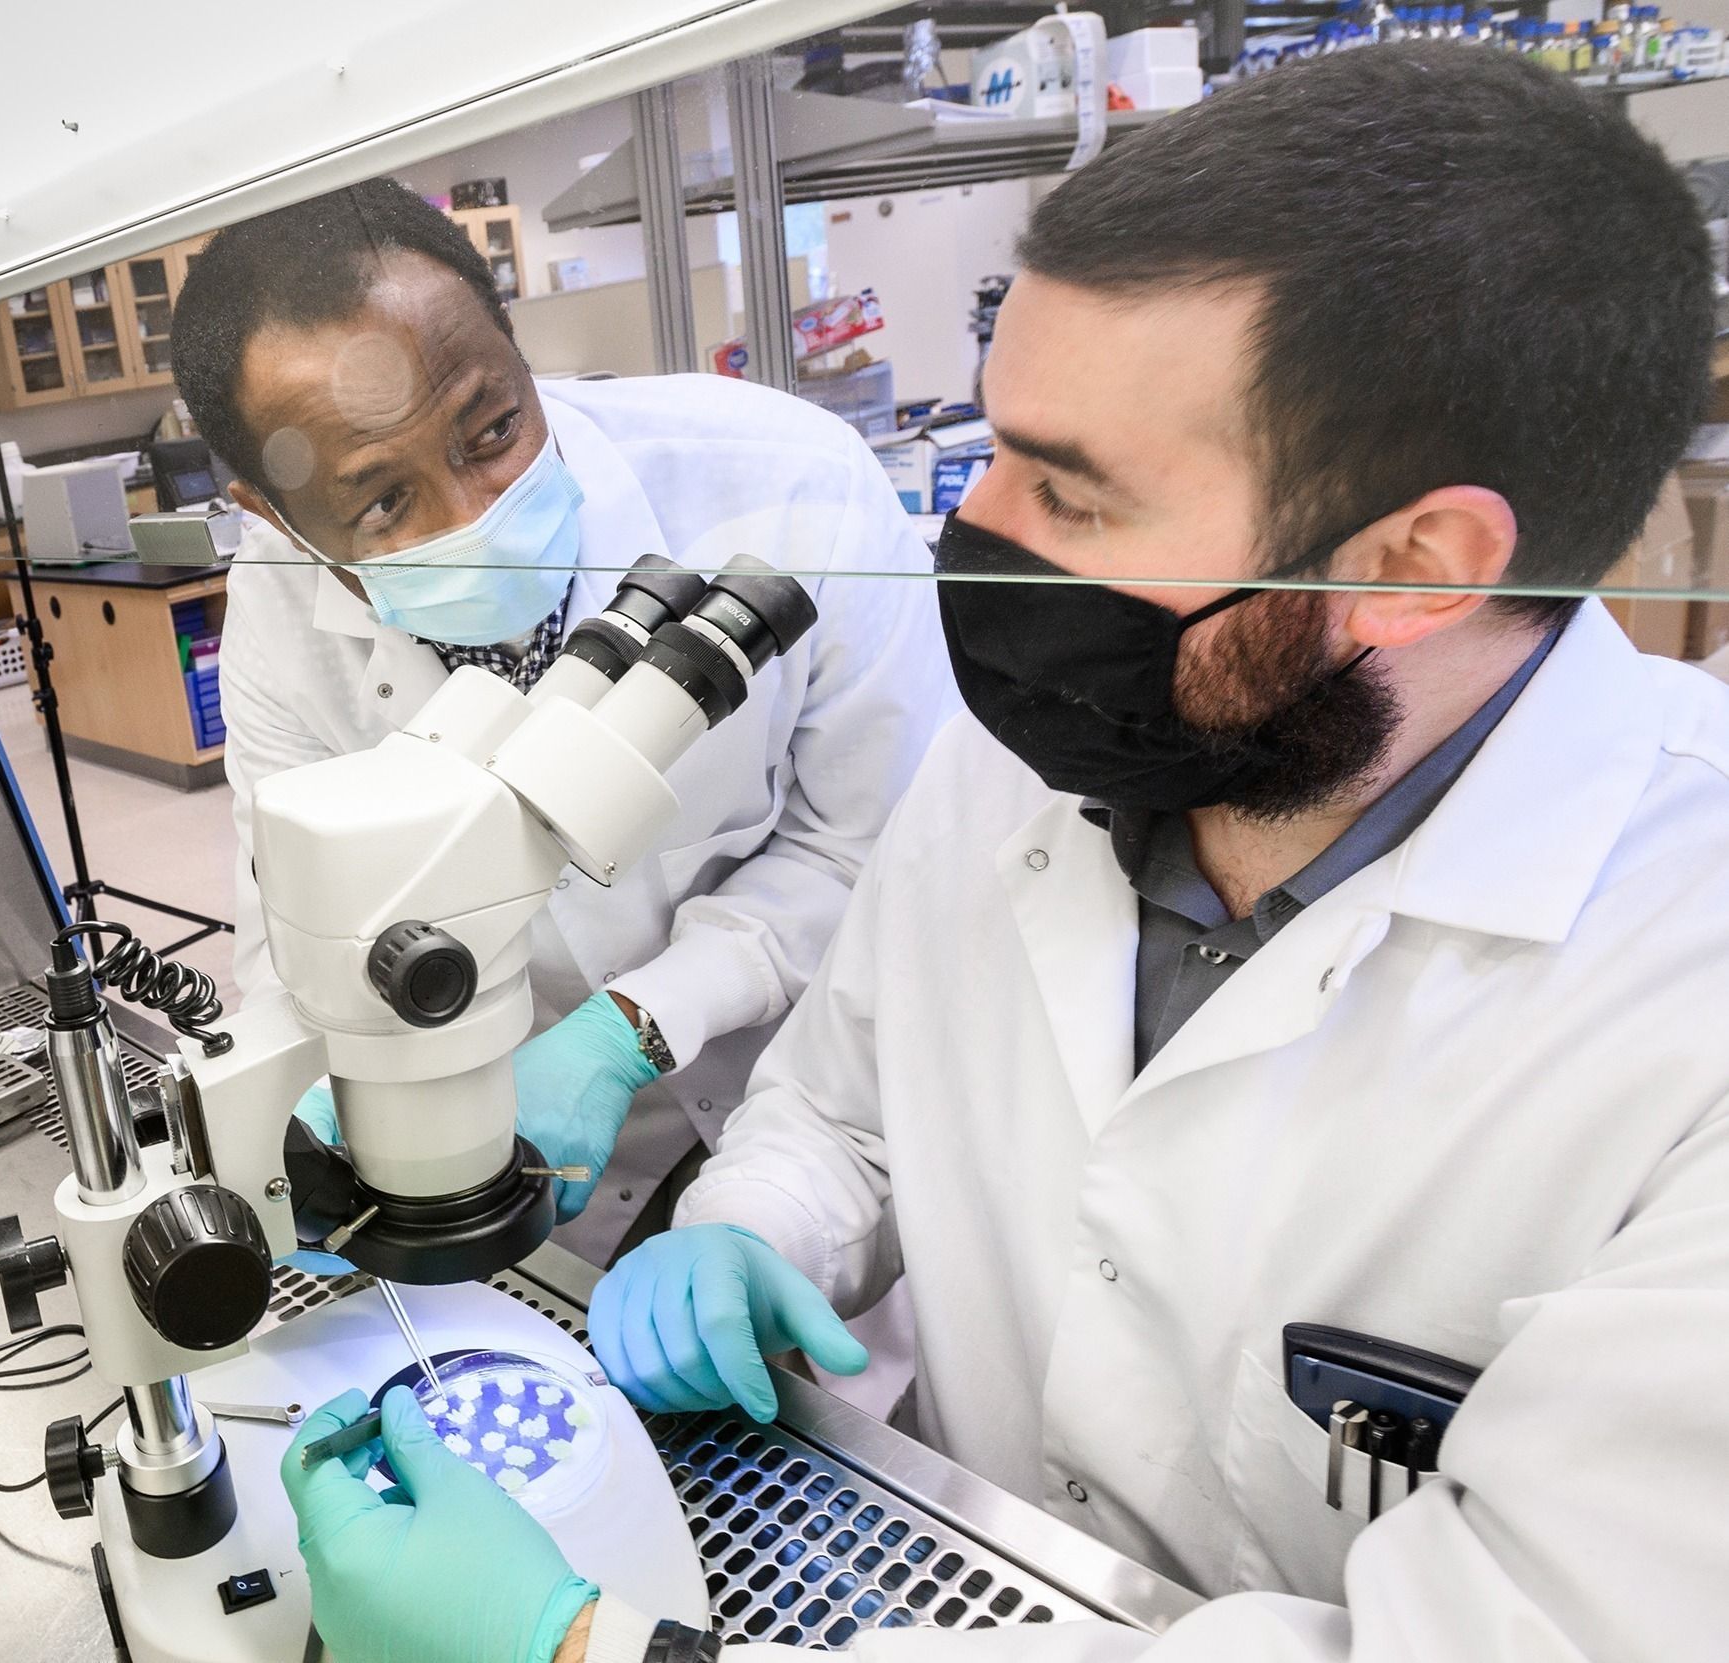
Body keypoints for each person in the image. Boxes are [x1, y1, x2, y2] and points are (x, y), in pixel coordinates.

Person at [278, 44, 1729, 1663]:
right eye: (992, 450)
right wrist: (757, 1222)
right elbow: (846, 1098)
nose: (979, 544)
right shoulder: (1042, 751)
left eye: (1075, 495)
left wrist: (584, 1652)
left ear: (1414, 561)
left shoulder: (1687, 1010)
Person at [173, 179, 959, 1267]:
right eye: (381, 503)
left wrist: (628, 1027)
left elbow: (882, 847)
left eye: (492, 428)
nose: (475, 514)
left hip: (811, 1089)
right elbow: (294, 907)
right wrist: (308, 1104)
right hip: (516, 1130)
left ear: (514, 347)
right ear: (270, 514)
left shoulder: (787, 481)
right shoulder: (274, 593)